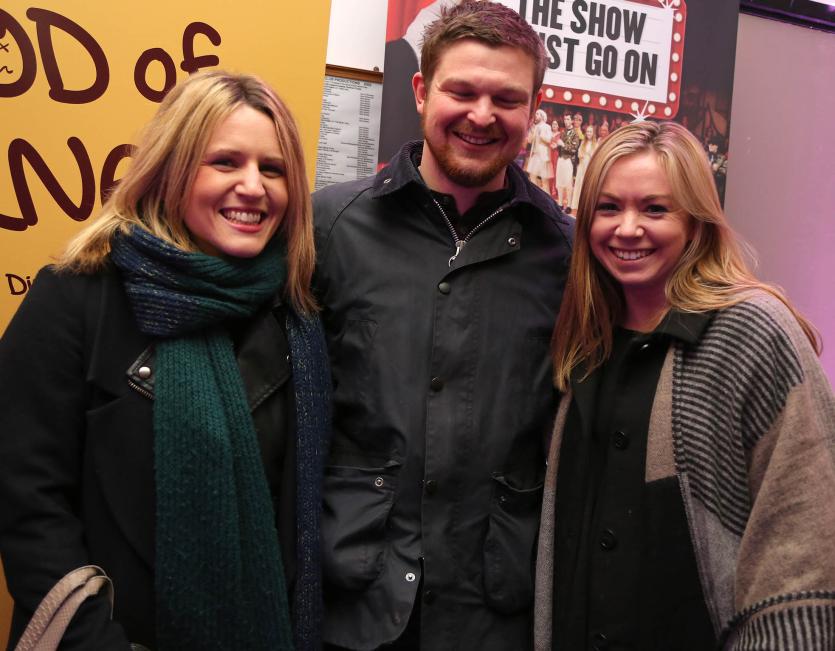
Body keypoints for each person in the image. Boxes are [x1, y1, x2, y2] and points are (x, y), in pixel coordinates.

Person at [0, 70, 331, 651]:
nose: (253, 186)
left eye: (272, 169)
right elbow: (27, 502)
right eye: (225, 162)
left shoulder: (297, 316)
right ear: (171, 169)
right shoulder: (76, 295)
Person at [313, 2, 573, 649]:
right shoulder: (330, 228)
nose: (481, 115)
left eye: (505, 98)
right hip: (351, 600)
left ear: (533, 110)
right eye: (462, 91)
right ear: (422, 92)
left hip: (493, 610)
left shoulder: (566, 254)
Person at [534, 120, 835, 650]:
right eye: (608, 208)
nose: (627, 229)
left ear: (696, 222)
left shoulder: (753, 329)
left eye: (655, 209)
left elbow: (806, 529)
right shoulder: (586, 339)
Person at [569, 124, 597, 214]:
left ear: (593, 133)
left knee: (586, 186)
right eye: (587, 131)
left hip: (589, 168)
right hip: (581, 167)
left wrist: (588, 155)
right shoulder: (583, 143)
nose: (589, 133)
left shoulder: (595, 144)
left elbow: (595, 157)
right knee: (579, 185)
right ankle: (576, 205)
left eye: (590, 132)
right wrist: (582, 155)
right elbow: (579, 155)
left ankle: (584, 206)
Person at [555, 113, 579, 213]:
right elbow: (559, 147)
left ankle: (568, 205)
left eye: (568, 119)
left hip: (569, 160)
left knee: (568, 184)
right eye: (565, 119)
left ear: (572, 121)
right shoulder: (563, 132)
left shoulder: (575, 134)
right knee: (559, 183)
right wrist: (556, 145)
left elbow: (574, 149)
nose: (566, 121)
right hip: (561, 159)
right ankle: (560, 204)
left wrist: (563, 145)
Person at [526, 108, 554, 192]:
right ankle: (536, 194)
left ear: (542, 116)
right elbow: (530, 141)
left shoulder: (547, 127)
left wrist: (541, 135)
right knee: (532, 176)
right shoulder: (535, 127)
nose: (536, 115)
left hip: (543, 156)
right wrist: (531, 131)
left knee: (544, 179)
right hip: (535, 155)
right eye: (536, 114)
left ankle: (546, 197)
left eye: (537, 114)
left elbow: (549, 140)